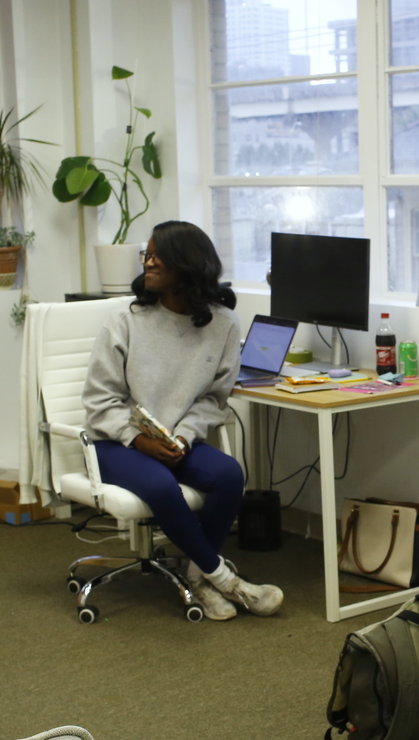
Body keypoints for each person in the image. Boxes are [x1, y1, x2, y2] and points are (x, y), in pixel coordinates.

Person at [82, 220, 282, 621]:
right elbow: (99, 400)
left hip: (176, 441)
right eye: (147, 254)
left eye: (158, 256)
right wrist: (138, 440)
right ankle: (226, 580)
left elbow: (213, 397)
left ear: (187, 266)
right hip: (115, 443)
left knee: (229, 475)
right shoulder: (125, 321)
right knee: (161, 485)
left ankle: (196, 578)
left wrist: (185, 437)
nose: (148, 262)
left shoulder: (223, 324)